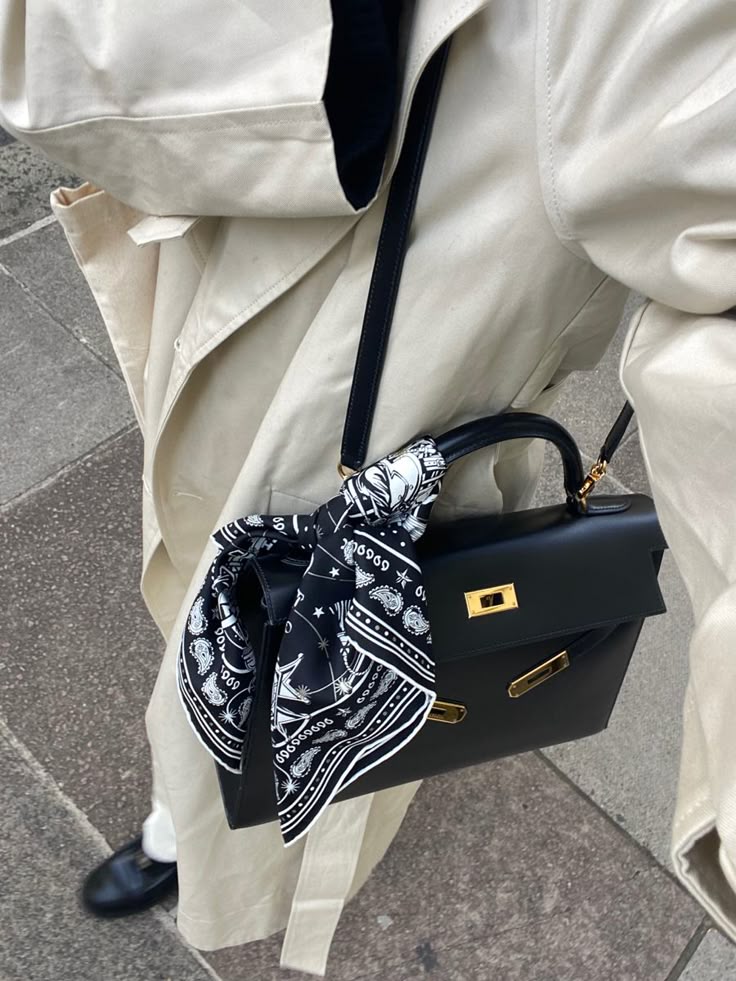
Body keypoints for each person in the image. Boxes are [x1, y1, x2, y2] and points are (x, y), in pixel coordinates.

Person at [2, 0, 736, 974]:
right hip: (220, 280)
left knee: (274, 671)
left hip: (396, 416)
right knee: (212, 605)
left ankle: (190, 830)